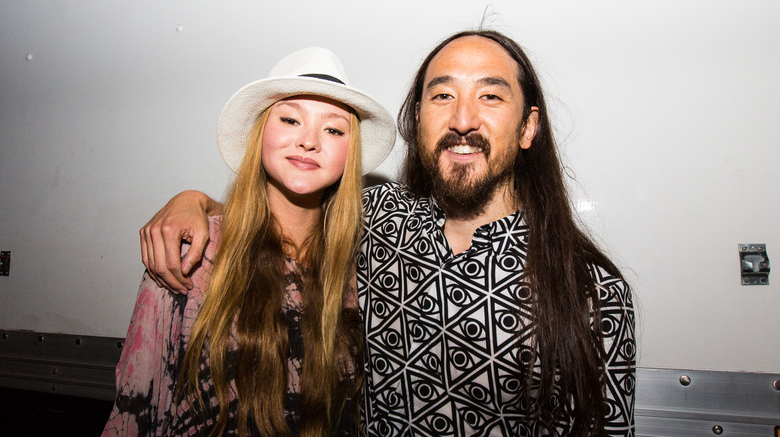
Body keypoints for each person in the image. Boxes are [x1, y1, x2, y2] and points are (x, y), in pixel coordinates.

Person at [140, 30, 636, 436]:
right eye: (443, 96)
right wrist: (195, 202)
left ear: (528, 127)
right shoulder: (382, 219)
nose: (463, 119)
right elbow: (283, 207)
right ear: (418, 121)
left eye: (489, 96)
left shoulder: (591, 291)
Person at [103, 47, 396, 436]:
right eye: (290, 119)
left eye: (333, 129)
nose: (309, 141)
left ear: (350, 152)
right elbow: (134, 410)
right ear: (260, 134)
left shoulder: (366, 266)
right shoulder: (193, 252)